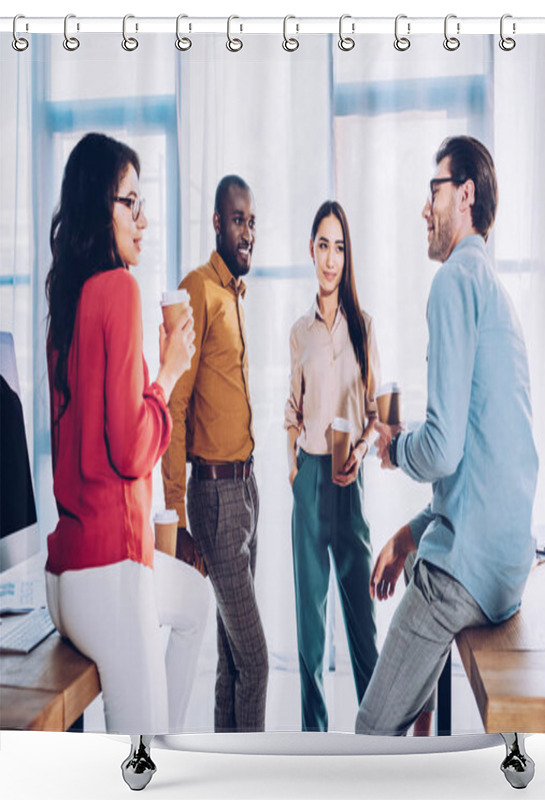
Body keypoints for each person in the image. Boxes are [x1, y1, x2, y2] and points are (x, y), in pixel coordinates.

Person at [356, 136, 539, 736]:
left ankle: (411, 723)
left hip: (468, 575)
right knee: (415, 564)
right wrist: (410, 534)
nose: (424, 208)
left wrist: (391, 446)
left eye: (433, 190)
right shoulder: (496, 292)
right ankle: (425, 716)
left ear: (464, 194)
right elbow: (477, 466)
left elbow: (440, 451)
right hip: (508, 567)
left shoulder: (454, 281)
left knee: (365, 737)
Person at [44, 132, 196, 733]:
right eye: (130, 202)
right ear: (99, 207)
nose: (143, 218)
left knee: (195, 607)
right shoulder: (120, 289)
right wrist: (168, 372)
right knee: (143, 769)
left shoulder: (68, 301)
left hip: (66, 583)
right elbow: (131, 451)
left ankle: (163, 728)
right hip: (110, 574)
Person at [162, 175, 268, 732]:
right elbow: (174, 407)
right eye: (237, 219)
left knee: (233, 660)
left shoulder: (235, 294)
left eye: (251, 221)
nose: (247, 230)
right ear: (216, 223)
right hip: (215, 498)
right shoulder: (197, 289)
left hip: (247, 489)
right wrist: (177, 516)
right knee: (256, 660)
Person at [285, 200, 381, 732]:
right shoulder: (299, 333)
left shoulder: (363, 329)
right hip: (310, 483)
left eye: (339, 247)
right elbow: (291, 411)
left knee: (362, 626)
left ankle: (377, 738)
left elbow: (374, 417)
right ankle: (313, 745)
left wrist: (362, 453)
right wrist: (294, 470)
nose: (331, 258)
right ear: (311, 250)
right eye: (323, 245)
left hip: (351, 486)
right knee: (309, 635)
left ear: (348, 256)